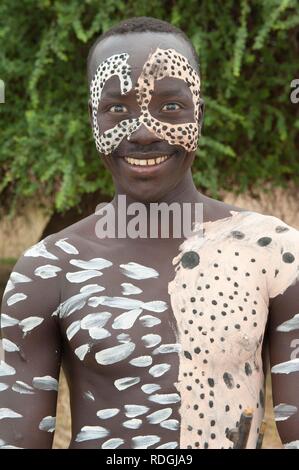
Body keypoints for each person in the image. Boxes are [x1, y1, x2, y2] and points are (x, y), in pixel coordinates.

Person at [0, 16, 299, 450]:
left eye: (171, 107)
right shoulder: (47, 271)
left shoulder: (274, 254)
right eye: (117, 109)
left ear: (200, 113)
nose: (143, 132)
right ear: (93, 119)